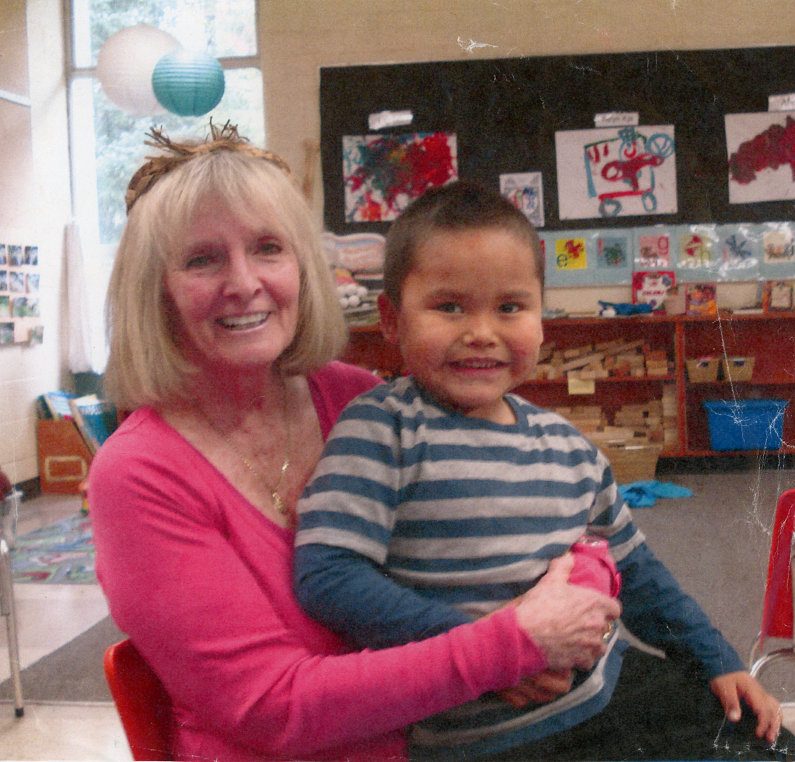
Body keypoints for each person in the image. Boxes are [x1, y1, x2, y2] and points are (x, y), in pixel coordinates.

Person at [86, 124, 622, 762]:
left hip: (454, 737)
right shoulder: (138, 473)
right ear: (159, 291)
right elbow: (272, 708)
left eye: (267, 248)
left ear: (303, 268)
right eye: (202, 259)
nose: (243, 282)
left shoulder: (354, 397)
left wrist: (581, 579)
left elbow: (528, 516)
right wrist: (508, 647)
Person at [294, 181, 795, 761]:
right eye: (449, 306)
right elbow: (329, 574)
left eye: (510, 307)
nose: (482, 331)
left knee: (771, 748)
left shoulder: (567, 446)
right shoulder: (382, 428)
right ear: (391, 320)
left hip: (606, 687)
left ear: (542, 318)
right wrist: (488, 651)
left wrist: (717, 658)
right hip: (488, 731)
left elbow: (635, 570)